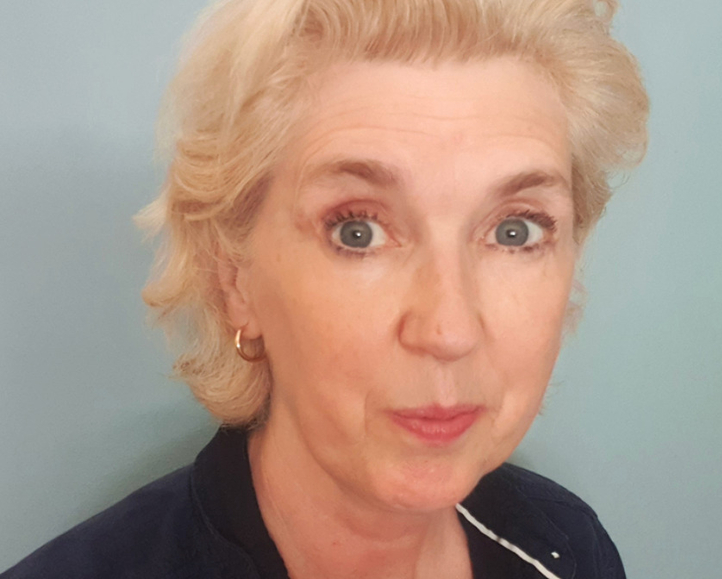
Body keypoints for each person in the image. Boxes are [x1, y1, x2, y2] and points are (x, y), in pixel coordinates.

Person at [1, 0, 648, 577]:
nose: (449, 330)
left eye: (515, 231)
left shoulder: (568, 544)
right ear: (235, 278)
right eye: (357, 231)